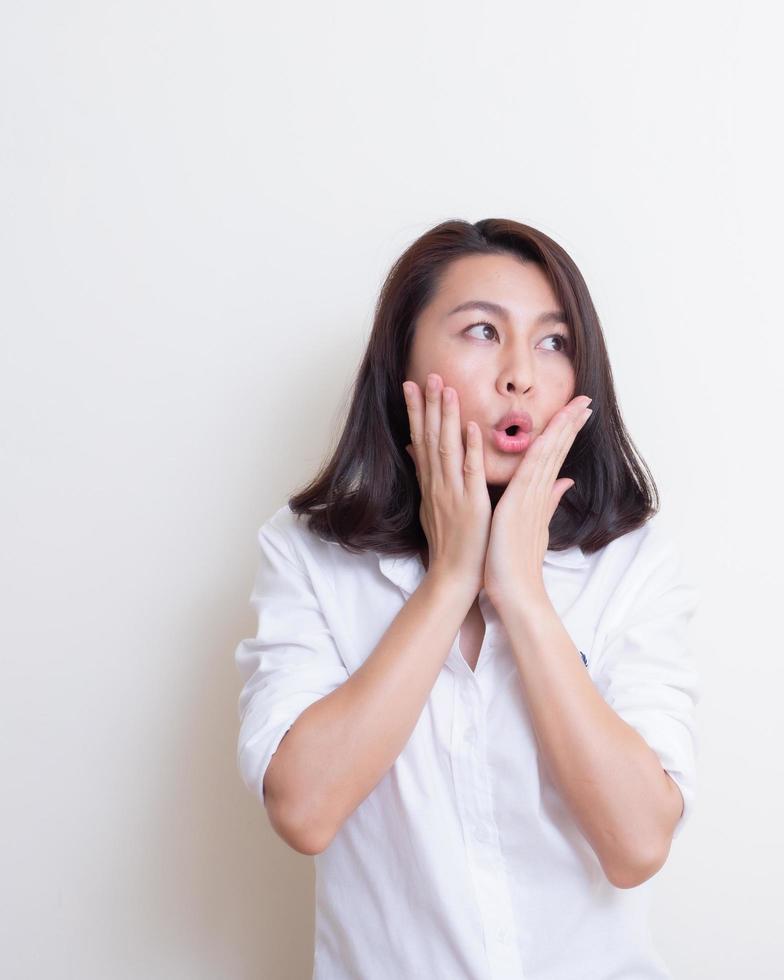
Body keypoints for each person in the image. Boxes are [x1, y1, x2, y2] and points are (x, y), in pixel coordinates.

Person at [233, 218, 702, 979]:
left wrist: (519, 594)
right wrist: (451, 578)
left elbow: (636, 844)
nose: (521, 374)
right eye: (483, 331)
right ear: (402, 360)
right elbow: (305, 810)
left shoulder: (631, 564)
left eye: (554, 342)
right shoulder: (308, 555)